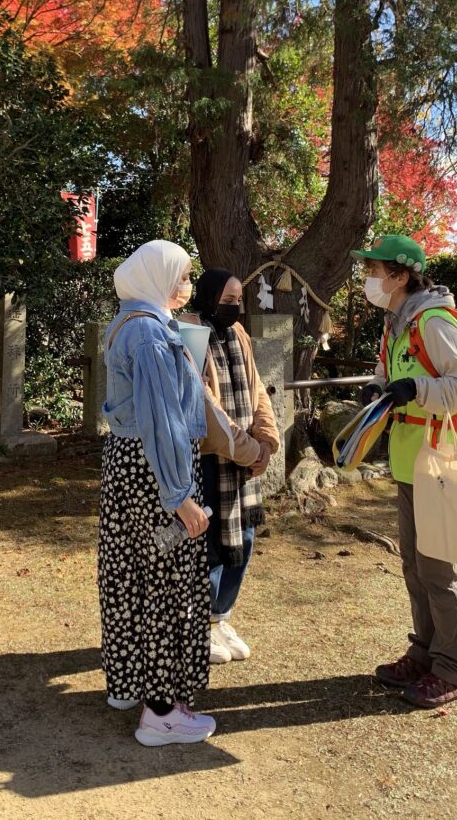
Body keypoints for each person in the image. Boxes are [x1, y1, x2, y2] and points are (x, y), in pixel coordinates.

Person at [352, 234, 457, 708]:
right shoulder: (398, 323)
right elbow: (387, 374)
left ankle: (453, 667)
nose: (368, 278)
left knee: (437, 569)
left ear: (401, 275)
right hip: (414, 460)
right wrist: (377, 389)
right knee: (414, 563)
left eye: (374, 270)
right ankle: (426, 652)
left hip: (444, 461)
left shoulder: (432, 321)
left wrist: (417, 389)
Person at [99, 240, 215, 746]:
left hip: (132, 466)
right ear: (157, 277)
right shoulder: (147, 333)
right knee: (166, 581)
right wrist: (179, 494)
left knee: (131, 573)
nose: (185, 285)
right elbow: (161, 421)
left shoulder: (131, 322)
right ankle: (162, 710)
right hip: (155, 472)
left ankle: (134, 687)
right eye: (181, 276)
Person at [190, 268, 280, 665]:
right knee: (209, 545)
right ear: (208, 297)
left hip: (243, 458)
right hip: (211, 457)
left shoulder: (239, 332)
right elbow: (204, 404)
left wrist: (266, 440)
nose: (234, 307)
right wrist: (248, 450)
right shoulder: (190, 333)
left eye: (238, 300)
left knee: (242, 540)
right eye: (227, 300)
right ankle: (198, 627)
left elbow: (257, 387)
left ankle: (220, 616)